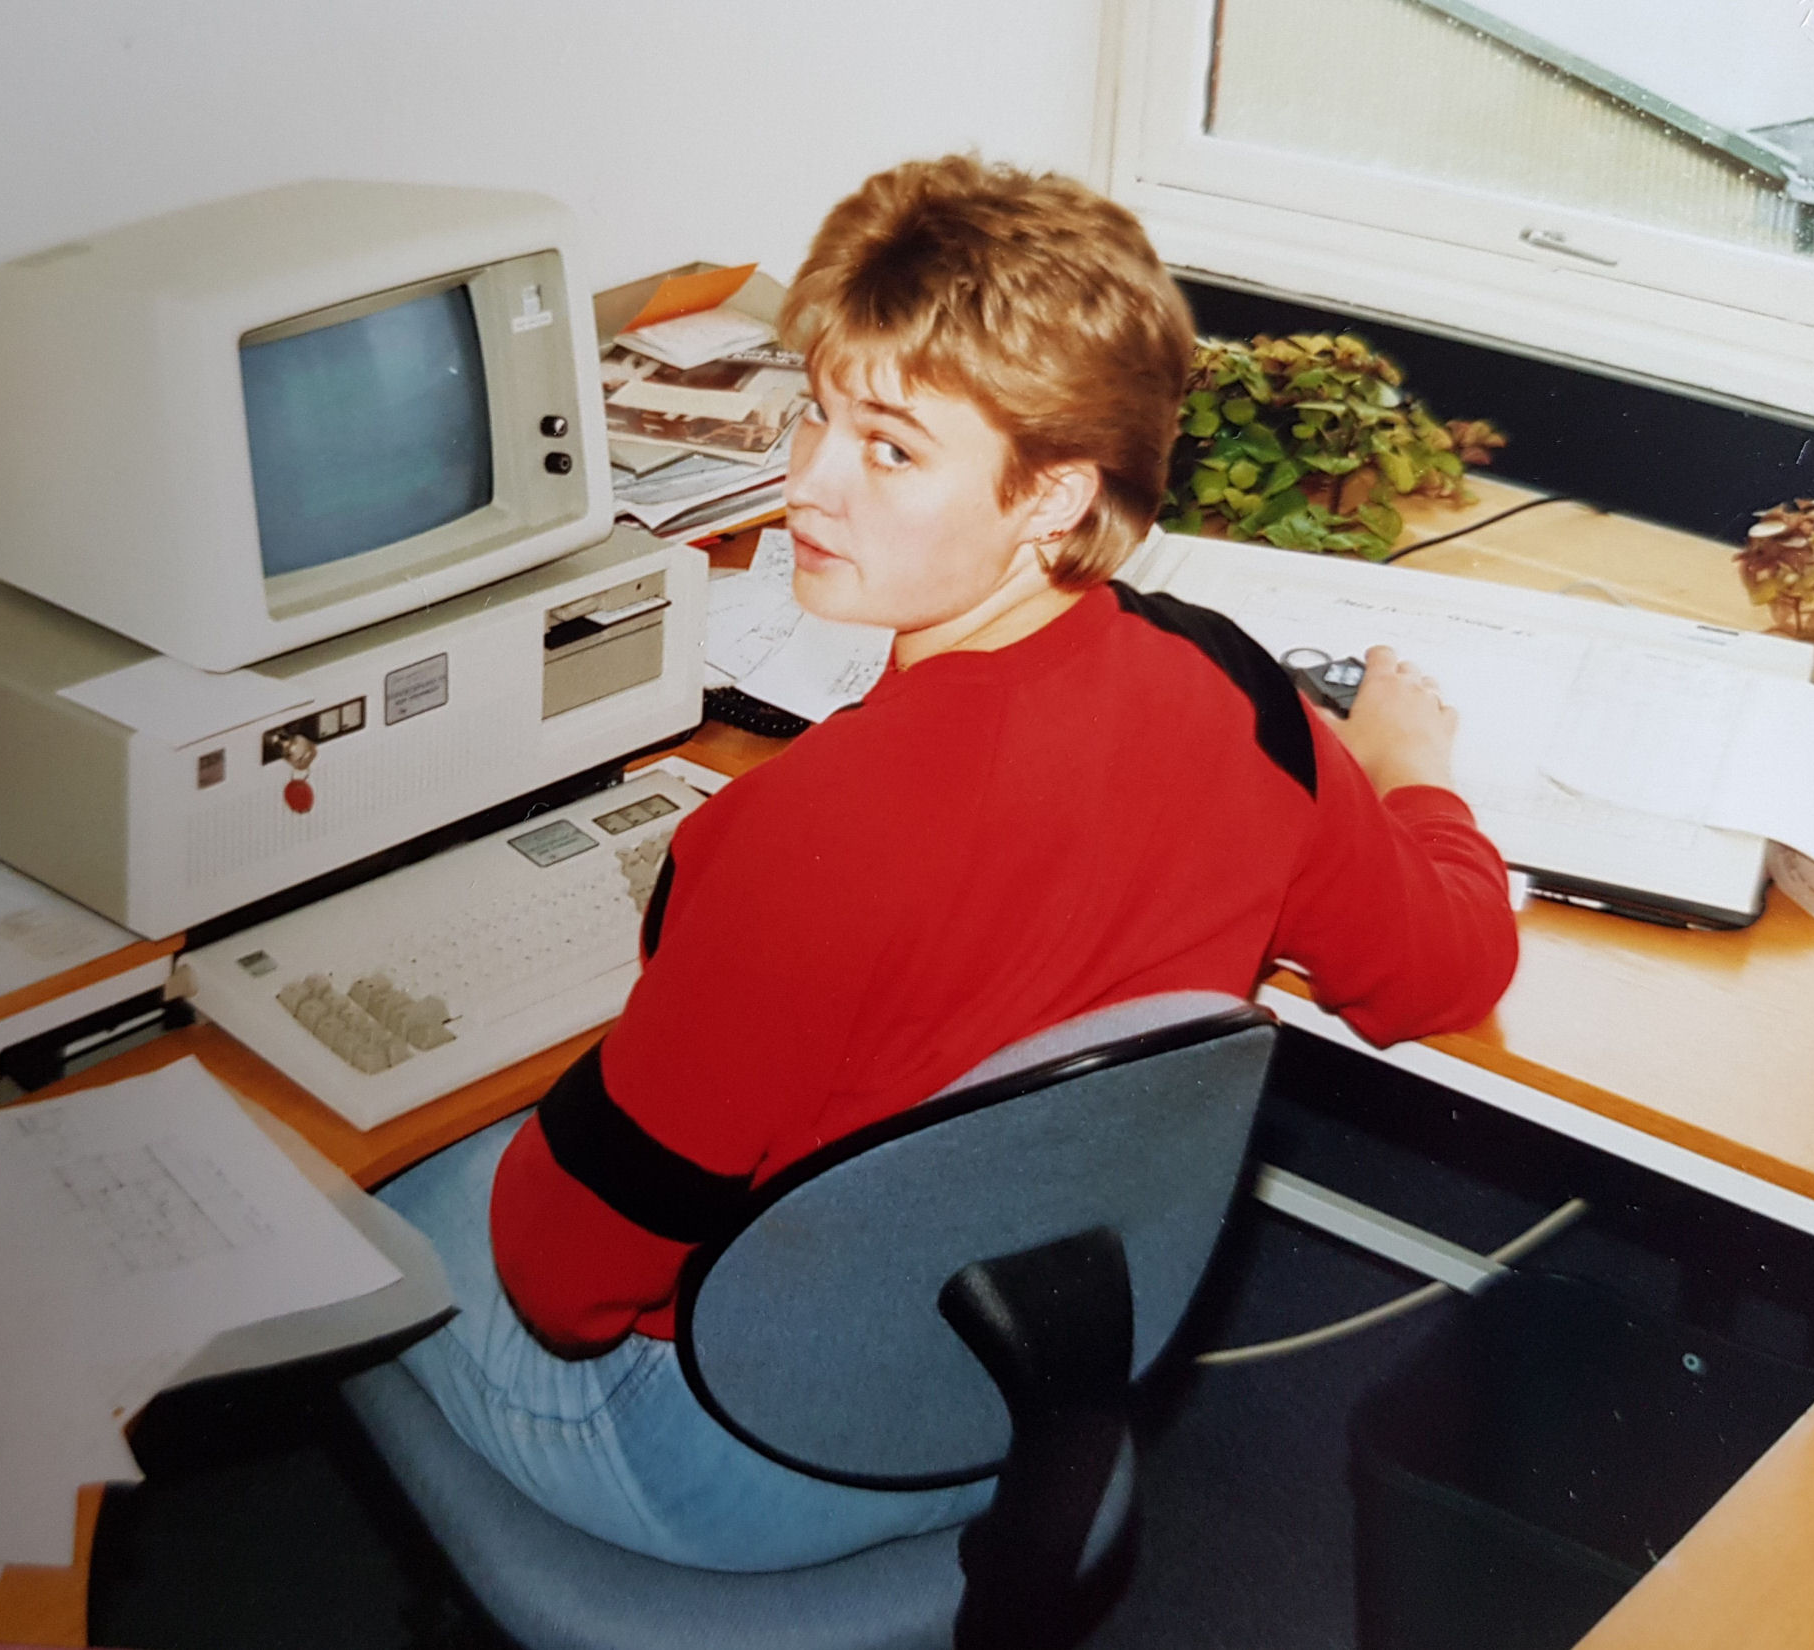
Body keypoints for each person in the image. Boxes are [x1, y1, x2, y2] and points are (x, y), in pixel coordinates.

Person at [377, 154, 1518, 1572]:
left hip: (737, 1450)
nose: (806, 481)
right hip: (1024, 1410)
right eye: (819, 411)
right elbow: (1448, 967)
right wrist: (1413, 775)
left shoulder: (799, 833)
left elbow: (563, 1284)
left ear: (1053, 498)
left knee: (373, 1187)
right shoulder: (1238, 692)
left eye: (892, 450)